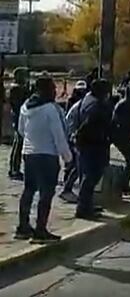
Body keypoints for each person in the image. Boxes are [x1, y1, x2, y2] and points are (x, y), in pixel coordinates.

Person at [14, 76, 73, 243]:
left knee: (28, 190)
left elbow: (20, 129)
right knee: (46, 194)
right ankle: (41, 231)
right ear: (47, 90)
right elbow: (58, 136)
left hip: (29, 153)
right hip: (47, 155)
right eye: (53, 88)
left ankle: (23, 227)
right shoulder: (50, 109)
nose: (55, 91)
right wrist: (67, 157)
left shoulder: (26, 106)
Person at [74, 78, 113, 220]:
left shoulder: (89, 101)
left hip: (90, 144)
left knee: (89, 177)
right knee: (90, 177)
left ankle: (87, 205)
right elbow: (88, 126)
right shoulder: (96, 106)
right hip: (92, 145)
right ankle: (83, 208)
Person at [7, 67, 31, 180]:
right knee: (18, 144)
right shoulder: (16, 89)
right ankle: (14, 169)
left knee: (18, 143)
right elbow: (23, 102)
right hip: (18, 118)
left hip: (18, 118)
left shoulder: (17, 88)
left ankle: (14, 168)